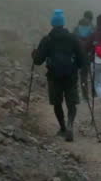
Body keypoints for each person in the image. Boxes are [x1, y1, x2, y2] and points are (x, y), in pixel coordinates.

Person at [32, 9, 86, 142]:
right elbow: (82, 59)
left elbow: (38, 61)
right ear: (63, 23)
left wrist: (34, 54)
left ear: (52, 23)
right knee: (71, 102)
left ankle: (62, 128)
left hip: (54, 76)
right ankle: (70, 125)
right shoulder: (73, 38)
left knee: (57, 103)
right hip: (70, 75)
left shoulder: (47, 39)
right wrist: (76, 67)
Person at [74, 10, 95, 97]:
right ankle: (94, 93)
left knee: (83, 75)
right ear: (91, 18)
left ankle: (85, 95)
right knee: (93, 73)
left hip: (79, 54)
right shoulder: (93, 28)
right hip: (90, 54)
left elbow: (73, 40)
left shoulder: (76, 28)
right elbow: (95, 41)